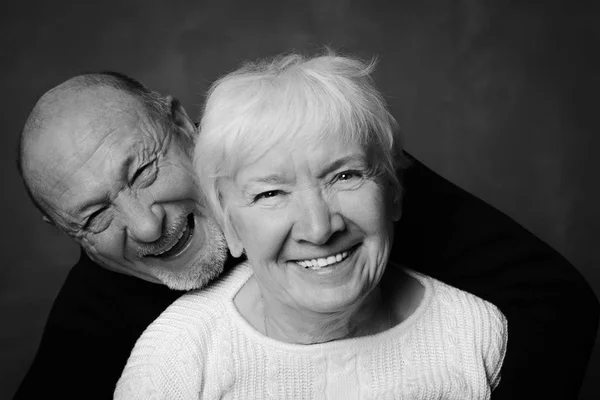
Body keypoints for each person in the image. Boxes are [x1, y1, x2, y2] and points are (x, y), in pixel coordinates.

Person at [15, 69, 598, 399]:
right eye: (94, 217)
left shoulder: (330, 170)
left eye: (143, 170)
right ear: (68, 232)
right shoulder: (124, 324)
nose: (144, 225)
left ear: (183, 125)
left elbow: (552, 299)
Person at [116, 52, 509, 399]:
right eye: (270, 193)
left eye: (344, 176)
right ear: (230, 226)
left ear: (393, 194)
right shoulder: (176, 358)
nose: (319, 229)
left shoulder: (475, 334)